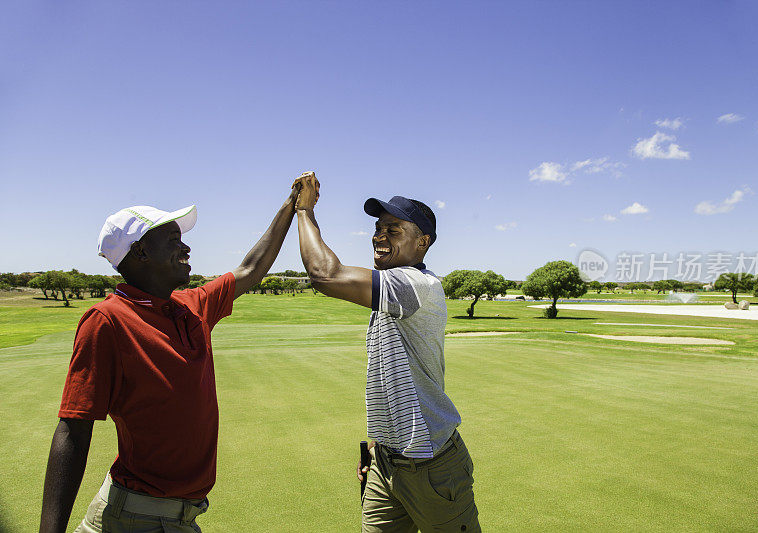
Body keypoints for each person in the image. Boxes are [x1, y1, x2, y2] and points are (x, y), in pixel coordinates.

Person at [39, 186, 299, 533]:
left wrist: (291, 205)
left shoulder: (193, 306)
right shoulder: (107, 320)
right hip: (132, 519)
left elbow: (251, 268)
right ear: (141, 251)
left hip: (180, 519)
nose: (186, 247)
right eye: (174, 238)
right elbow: (74, 428)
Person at [293, 172, 480, 532]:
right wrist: (379, 449)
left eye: (394, 229)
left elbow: (325, 275)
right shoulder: (390, 290)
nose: (379, 235)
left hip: (432, 464)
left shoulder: (415, 285)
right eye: (378, 228)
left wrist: (305, 211)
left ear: (423, 242)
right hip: (385, 464)